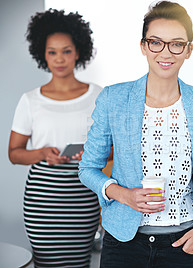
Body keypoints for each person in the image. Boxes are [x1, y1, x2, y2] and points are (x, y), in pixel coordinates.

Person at [78, 1, 193, 267]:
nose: (166, 52)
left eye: (177, 44)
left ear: (188, 50)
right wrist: (124, 194)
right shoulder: (113, 99)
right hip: (123, 243)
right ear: (143, 46)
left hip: (184, 242)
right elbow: (88, 168)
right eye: (156, 42)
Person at [8, 9, 102, 268]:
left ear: (79, 51)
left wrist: (92, 153)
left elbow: (117, 149)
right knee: (46, 263)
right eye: (52, 52)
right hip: (42, 200)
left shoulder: (98, 96)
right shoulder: (30, 100)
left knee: (79, 262)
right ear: (43, 54)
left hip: (83, 196)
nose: (59, 58)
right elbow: (14, 153)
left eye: (66, 50)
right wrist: (41, 153)